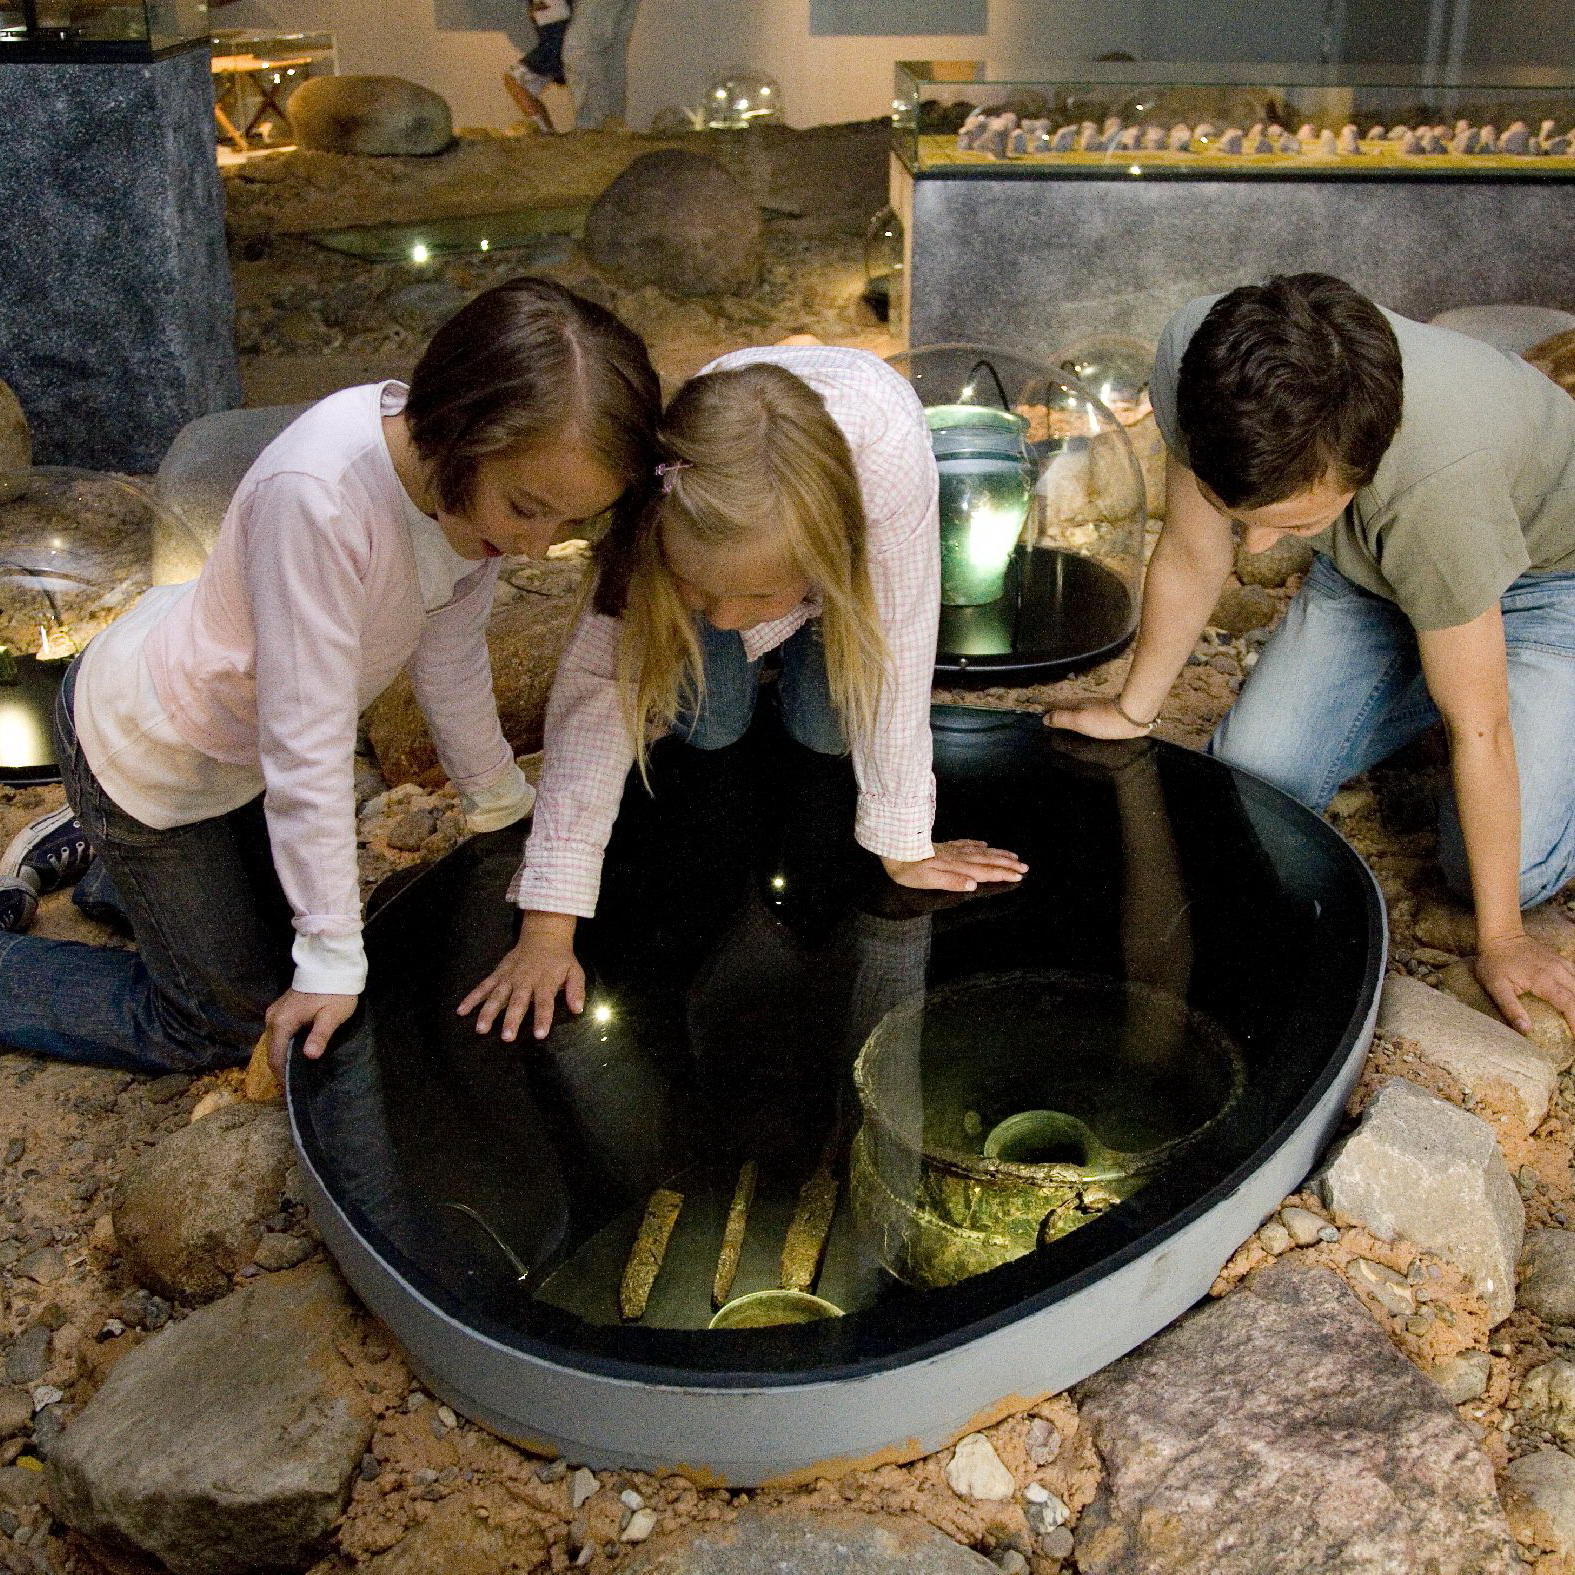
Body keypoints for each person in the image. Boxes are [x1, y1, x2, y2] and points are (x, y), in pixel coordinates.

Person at [0, 278, 661, 1080]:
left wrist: (498, 800)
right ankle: (111, 853)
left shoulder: (466, 500)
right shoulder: (317, 498)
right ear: (455, 426)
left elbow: (449, 653)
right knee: (223, 1020)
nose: (537, 545)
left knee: (299, 943)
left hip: (231, 747)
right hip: (151, 751)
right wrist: (330, 963)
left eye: (570, 523)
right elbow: (304, 748)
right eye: (527, 508)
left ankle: (117, 878)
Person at [1047, 272, 1575, 1036]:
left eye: (1284, 523)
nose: (1256, 548)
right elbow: (1196, 553)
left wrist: (1500, 940)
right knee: (1253, 776)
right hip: (1370, 566)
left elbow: (1482, 727)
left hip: (1545, 579)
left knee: (1502, 868)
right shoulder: (1206, 362)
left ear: (1358, 469)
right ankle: (1440, 658)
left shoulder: (1439, 478)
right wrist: (1133, 710)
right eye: (1244, 517)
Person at [459, 344, 1027, 1043]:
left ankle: (784, 641)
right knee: (711, 719)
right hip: (737, 516)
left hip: (849, 512)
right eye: (704, 592)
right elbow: (598, 693)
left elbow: (899, 657)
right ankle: (717, 632)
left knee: (826, 727)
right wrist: (550, 922)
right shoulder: (670, 505)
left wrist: (903, 842)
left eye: (757, 595)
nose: (726, 619)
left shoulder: (887, 489)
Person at [504, 0, 571, 134]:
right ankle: (548, 130)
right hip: (555, 47)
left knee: (512, 79)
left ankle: (543, 130)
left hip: (552, 49)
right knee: (526, 91)